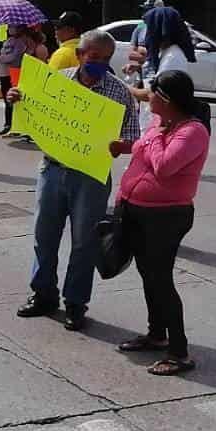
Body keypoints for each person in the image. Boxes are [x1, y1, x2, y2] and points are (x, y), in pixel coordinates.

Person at [10, 30, 140, 331]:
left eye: (105, 59)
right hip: (53, 169)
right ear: (80, 55)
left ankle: (75, 303)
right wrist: (16, 98)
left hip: (91, 177)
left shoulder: (119, 92)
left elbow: (134, 138)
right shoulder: (55, 82)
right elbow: (29, 109)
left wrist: (120, 145)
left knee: (84, 243)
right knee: (44, 236)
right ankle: (43, 295)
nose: (99, 64)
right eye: (94, 58)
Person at [116, 70, 211, 376]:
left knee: (161, 279)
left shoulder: (192, 132)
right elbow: (143, 147)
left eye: (153, 93)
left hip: (166, 216)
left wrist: (154, 137)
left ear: (167, 99)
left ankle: (179, 351)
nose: (149, 97)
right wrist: (125, 147)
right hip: (137, 209)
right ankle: (156, 334)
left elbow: (165, 166)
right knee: (148, 274)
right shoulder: (161, 123)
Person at [0, 27, 30, 137]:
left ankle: (13, 126)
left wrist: (0, 58)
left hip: (12, 73)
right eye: (9, 27)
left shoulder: (20, 43)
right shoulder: (7, 41)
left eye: (13, 26)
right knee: (6, 101)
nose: (10, 29)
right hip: (3, 73)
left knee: (11, 101)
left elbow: (14, 57)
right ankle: (8, 124)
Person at [127, 0, 166, 84]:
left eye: (148, 11)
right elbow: (132, 55)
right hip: (141, 74)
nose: (144, 14)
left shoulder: (165, 30)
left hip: (160, 76)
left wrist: (142, 50)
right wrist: (149, 55)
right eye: (144, 10)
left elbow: (163, 57)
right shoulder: (140, 27)